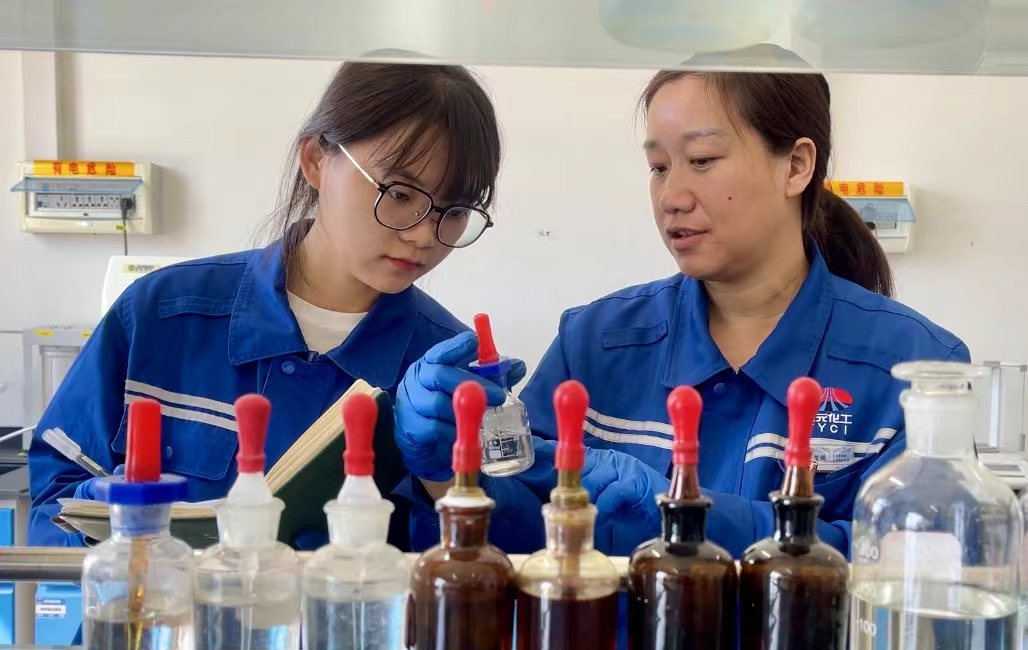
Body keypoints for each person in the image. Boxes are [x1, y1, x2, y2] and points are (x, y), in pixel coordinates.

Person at [394, 49, 969, 559]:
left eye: (702, 160)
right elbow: (521, 539)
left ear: (796, 165)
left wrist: (691, 516)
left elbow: (915, 565)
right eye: (659, 167)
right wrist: (449, 472)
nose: (671, 197)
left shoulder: (913, 368)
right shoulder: (594, 344)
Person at [28, 61, 513, 548]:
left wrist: (444, 482)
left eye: (455, 210)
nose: (424, 235)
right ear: (316, 160)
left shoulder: (447, 378)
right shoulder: (161, 316)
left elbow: (492, 562)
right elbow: (50, 508)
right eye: (401, 194)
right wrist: (112, 523)